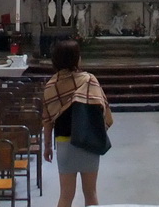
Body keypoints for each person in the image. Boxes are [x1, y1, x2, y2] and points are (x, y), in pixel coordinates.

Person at [42, 39, 113, 207]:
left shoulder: (51, 85)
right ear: (76, 59)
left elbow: (47, 120)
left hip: (64, 144)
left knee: (66, 195)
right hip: (88, 141)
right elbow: (103, 110)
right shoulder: (89, 80)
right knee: (91, 193)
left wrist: (47, 146)